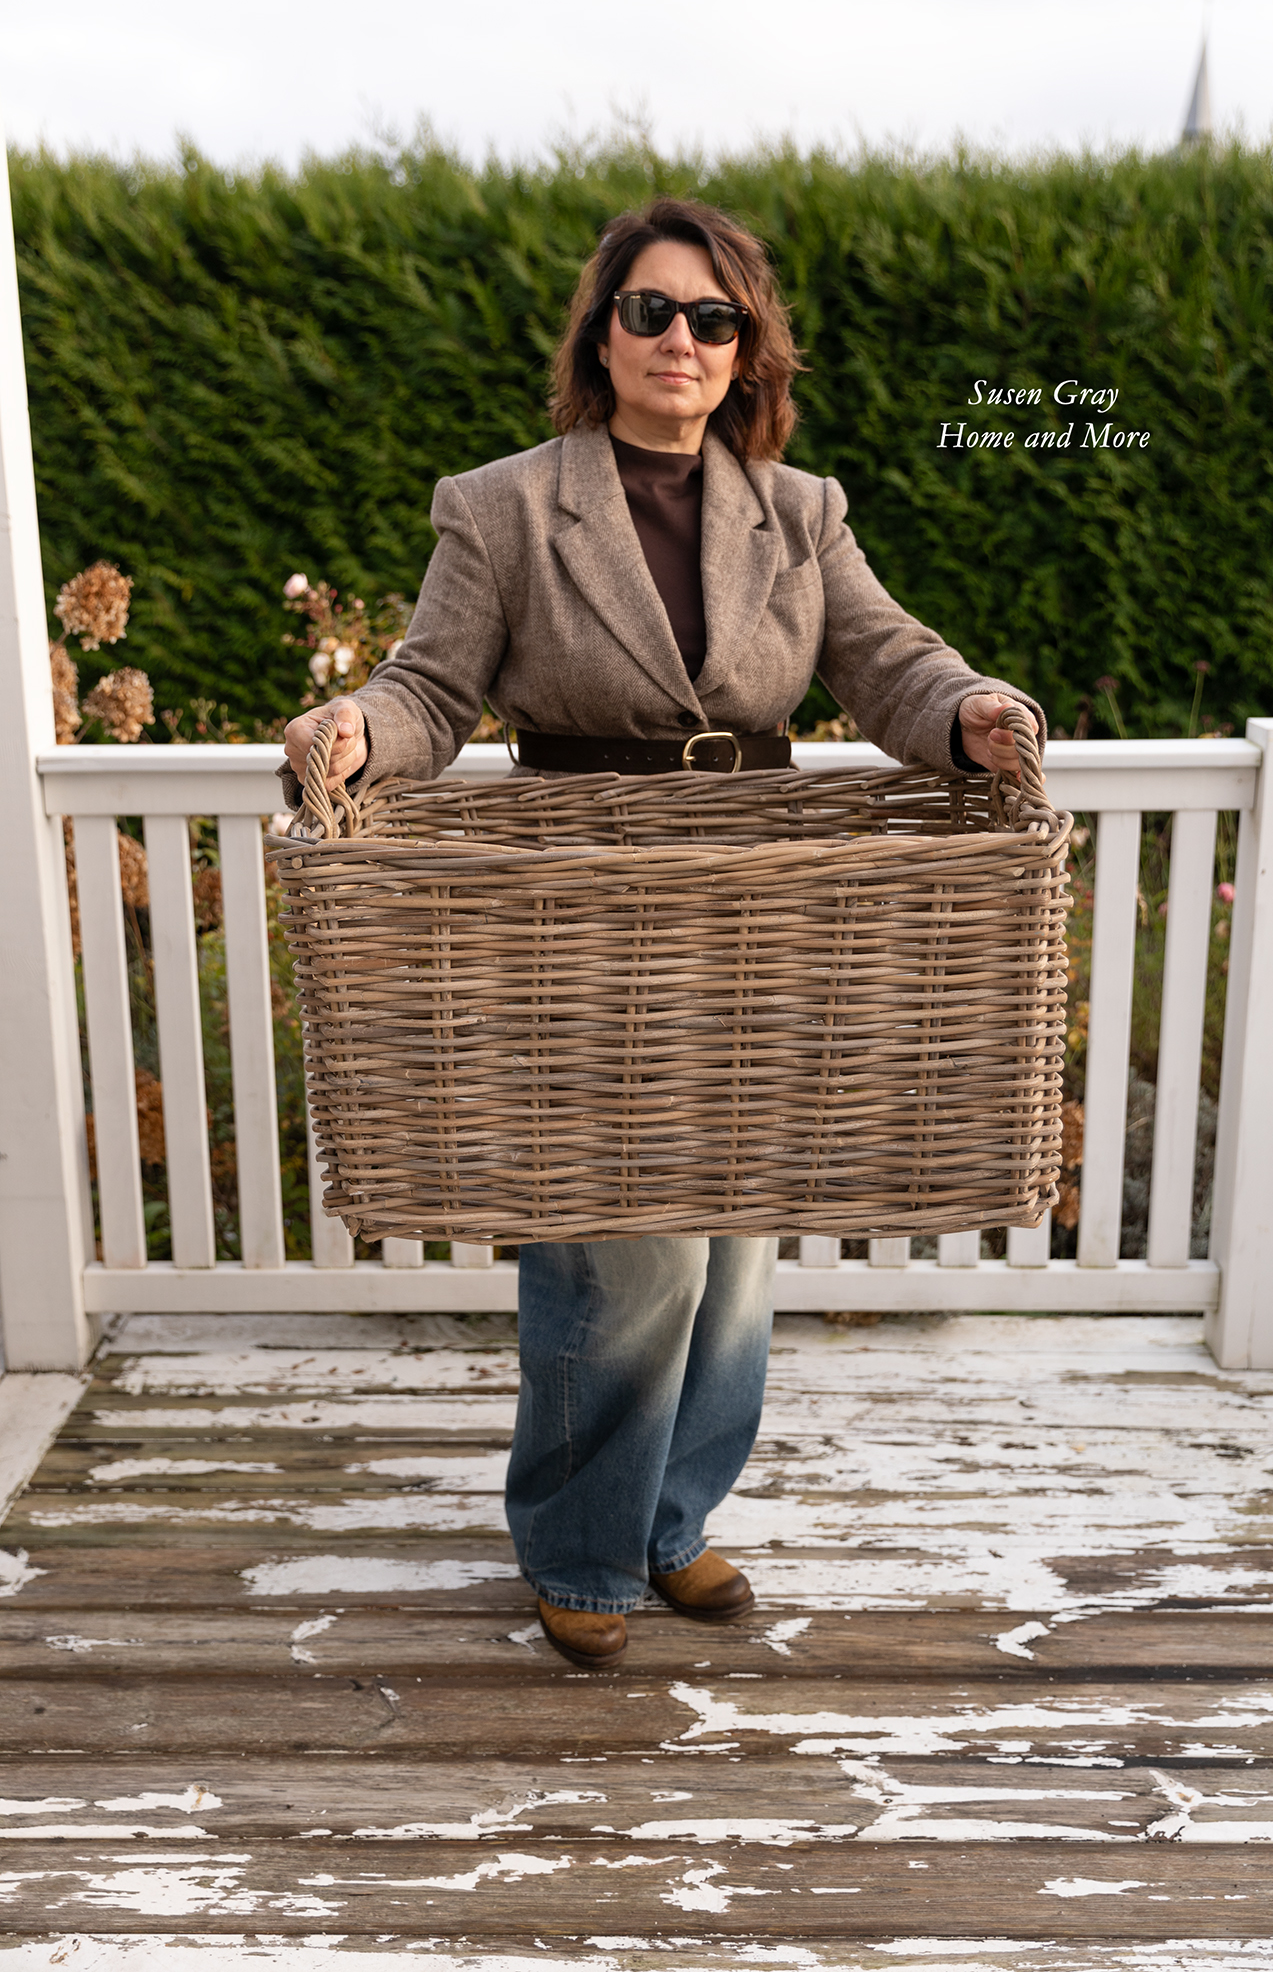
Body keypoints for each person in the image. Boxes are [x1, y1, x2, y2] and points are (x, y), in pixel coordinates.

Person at [283, 196, 1044, 1670]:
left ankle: (671, 1522)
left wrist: (967, 711)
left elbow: (886, 660)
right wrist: (355, 729)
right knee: (621, 1255)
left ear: (746, 349)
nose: (679, 339)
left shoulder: (800, 511)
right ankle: (579, 1547)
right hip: (578, 918)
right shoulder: (502, 506)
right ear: (602, 333)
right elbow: (431, 688)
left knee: (737, 1247)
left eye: (713, 318)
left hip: (753, 917)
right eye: (650, 310)